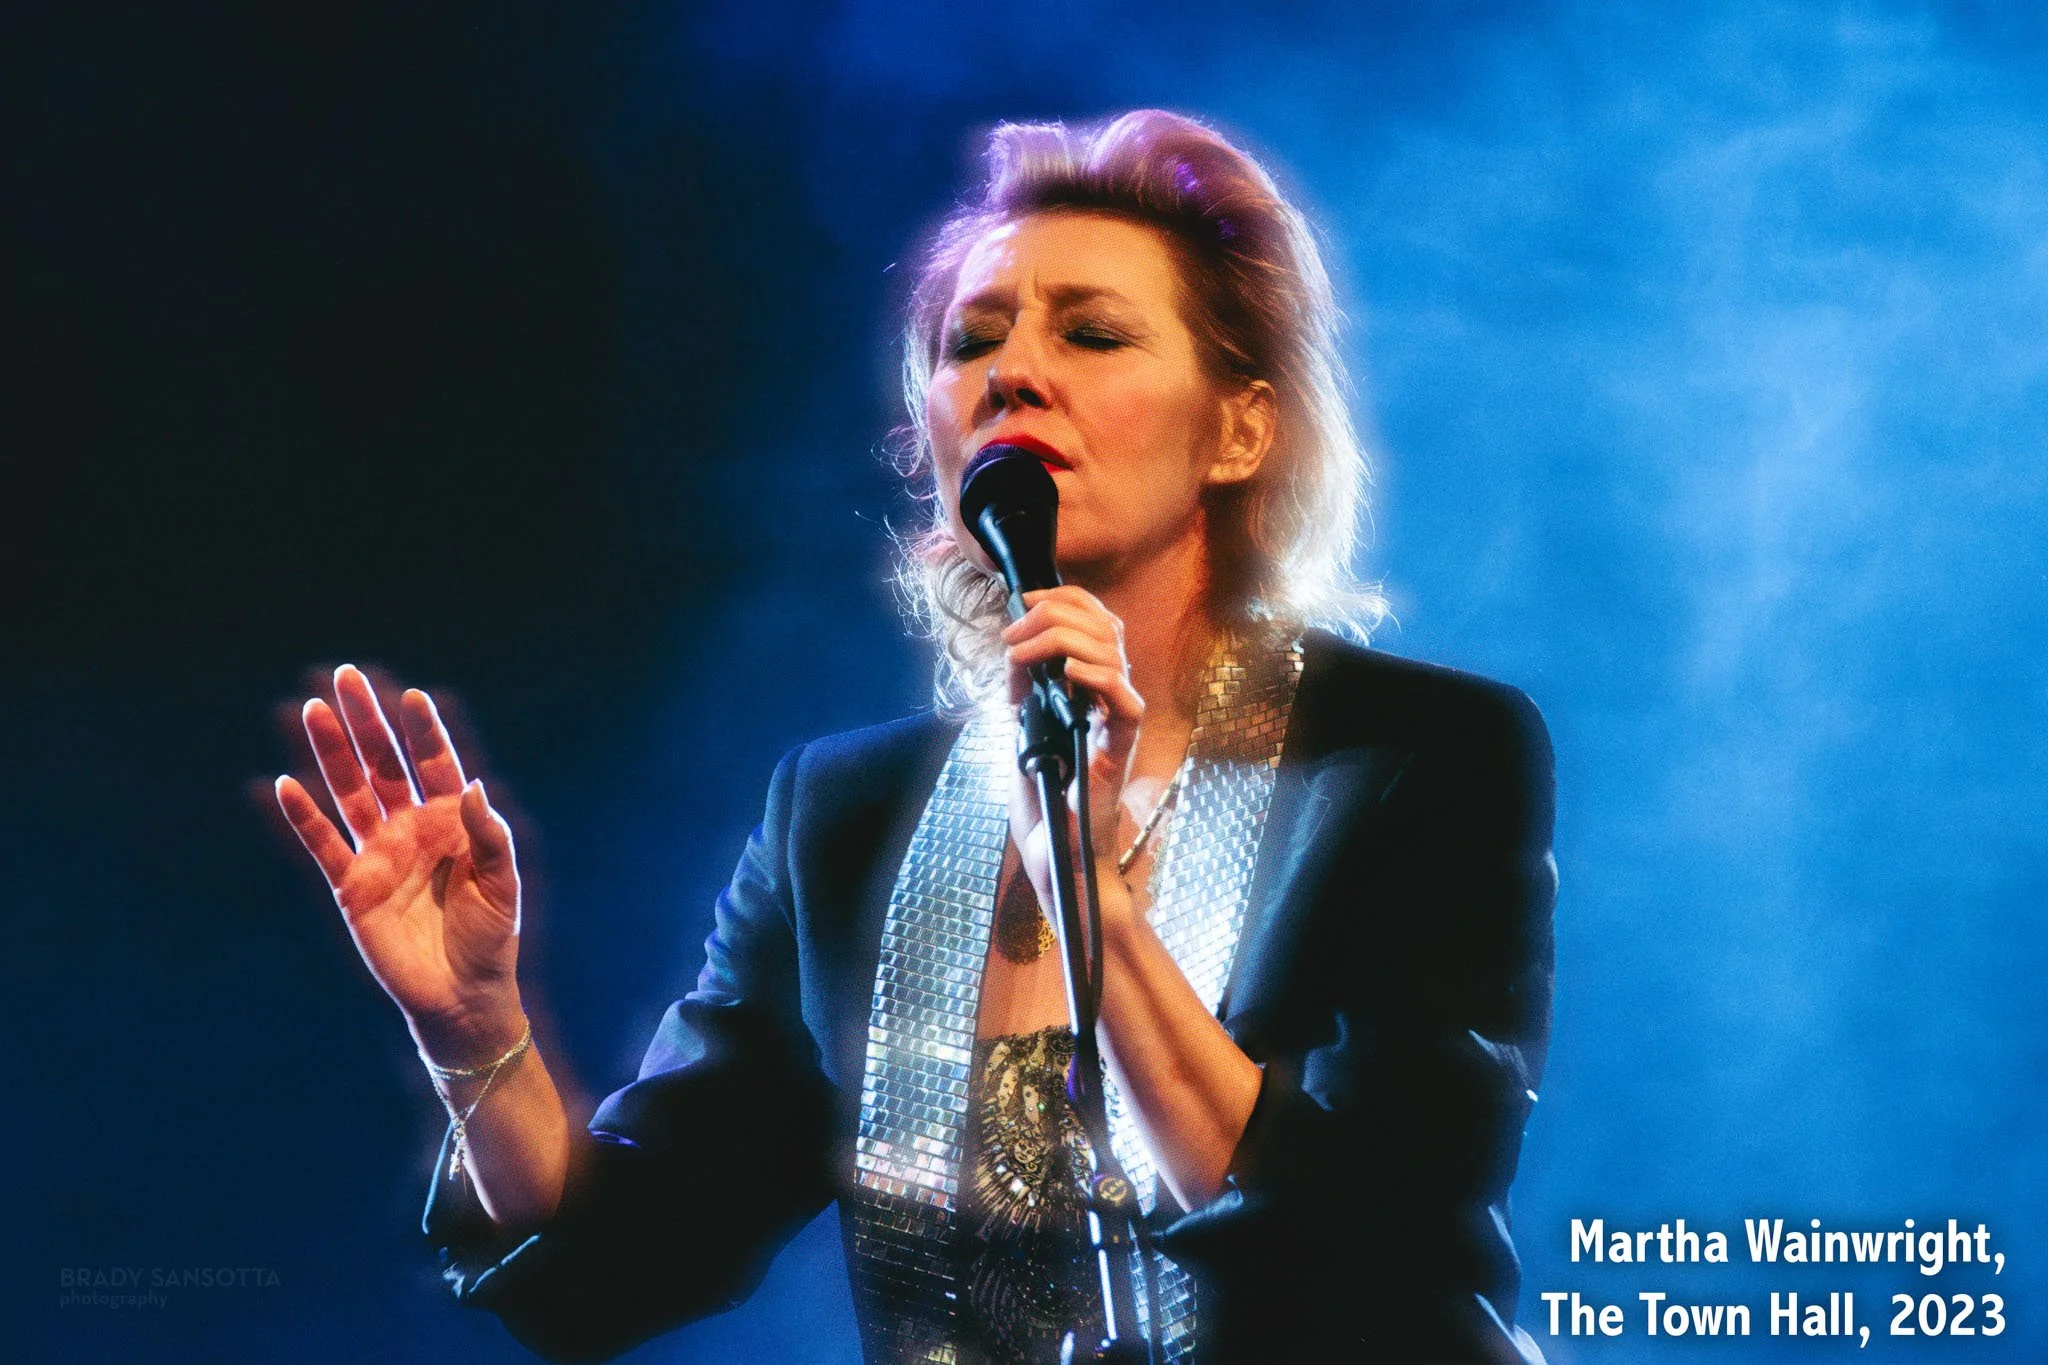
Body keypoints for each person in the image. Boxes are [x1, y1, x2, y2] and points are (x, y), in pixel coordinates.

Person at [275, 110, 1557, 1364]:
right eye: (970, 340)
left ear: (1239, 428)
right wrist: (473, 1030)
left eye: (1095, 333)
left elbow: (1380, 1252)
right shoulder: (845, 813)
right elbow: (618, 1267)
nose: (1012, 371)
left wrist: (1089, 902)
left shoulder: (1415, 758)